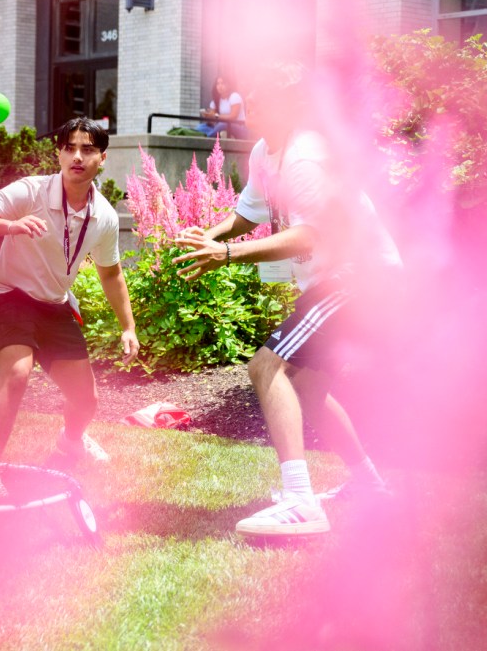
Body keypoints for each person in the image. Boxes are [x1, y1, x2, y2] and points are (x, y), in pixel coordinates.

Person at [172, 62, 401, 537]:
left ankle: (299, 501)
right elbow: (245, 216)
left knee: (265, 367)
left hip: (360, 277)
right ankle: (369, 487)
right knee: (310, 392)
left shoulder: (303, 157)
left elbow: (308, 236)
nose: (255, 106)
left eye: (268, 99)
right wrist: (205, 239)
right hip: (345, 278)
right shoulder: (265, 153)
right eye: (252, 97)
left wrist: (227, 255)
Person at [0, 117, 140, 469]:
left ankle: (71, 444)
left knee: (86, 400)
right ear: (57, 153)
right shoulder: (31, 191)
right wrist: (11, 226)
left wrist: (128, 327)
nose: (77, 156)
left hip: (54, 305)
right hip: (7, 295)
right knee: (17, 373)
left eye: (87, 149)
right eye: (69, 148)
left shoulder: (103, 216)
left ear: (102, 158)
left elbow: (111, 274)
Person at [196, 75, 248, 139]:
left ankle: (207, 138)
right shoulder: (215, 101)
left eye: (223, 83)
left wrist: (216, 116)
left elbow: (233, 117)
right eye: (218, 84)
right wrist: (208, 116)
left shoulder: (234, 96)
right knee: (201, 127)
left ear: (229, 85)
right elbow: (212, 121)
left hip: (238, 126)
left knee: (222, 125)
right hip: (221, 126)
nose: (220, 86)